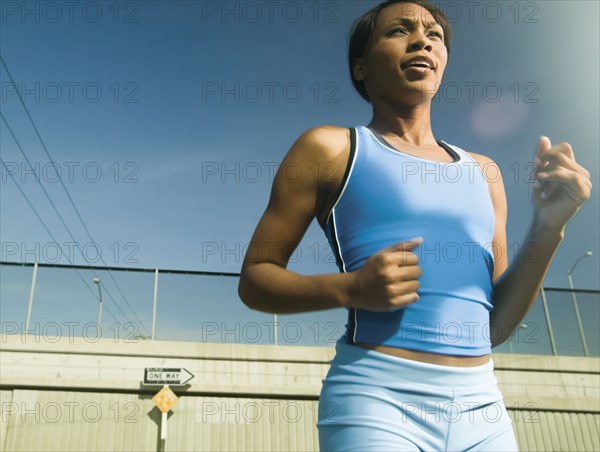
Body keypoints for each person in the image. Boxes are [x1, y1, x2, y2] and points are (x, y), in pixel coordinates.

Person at [237, 1, 592, 450]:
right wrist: (349, 289)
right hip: (374, 402)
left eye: (435, 35)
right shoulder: (328, 148)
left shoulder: (485, 172)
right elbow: (254, 280)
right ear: (360, 67)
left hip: (484, 411)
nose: (423, 38)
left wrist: (549, 227)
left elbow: (494, 326)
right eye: (399, 30)